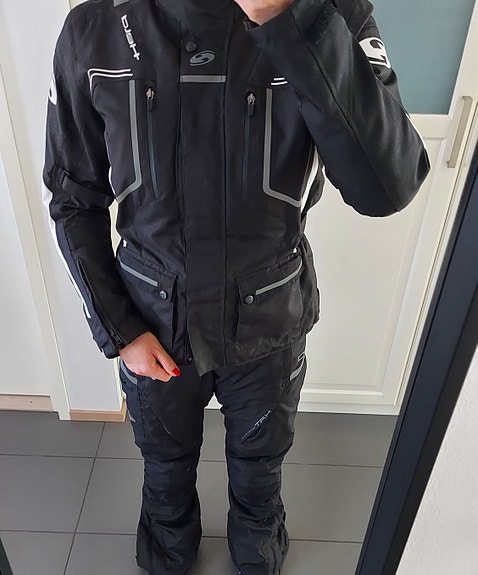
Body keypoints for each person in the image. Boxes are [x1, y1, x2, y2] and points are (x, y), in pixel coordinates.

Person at [42, 0, 430, 573]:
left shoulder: (333, 14)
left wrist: (295, 22)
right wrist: (119, 329)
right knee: (164, 465)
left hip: (269, 320)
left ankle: (257, 550)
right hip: (151, 321)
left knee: (260, 466)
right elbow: (74, 199)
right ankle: (167, 551)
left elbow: (387, 185)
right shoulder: (95, 29)